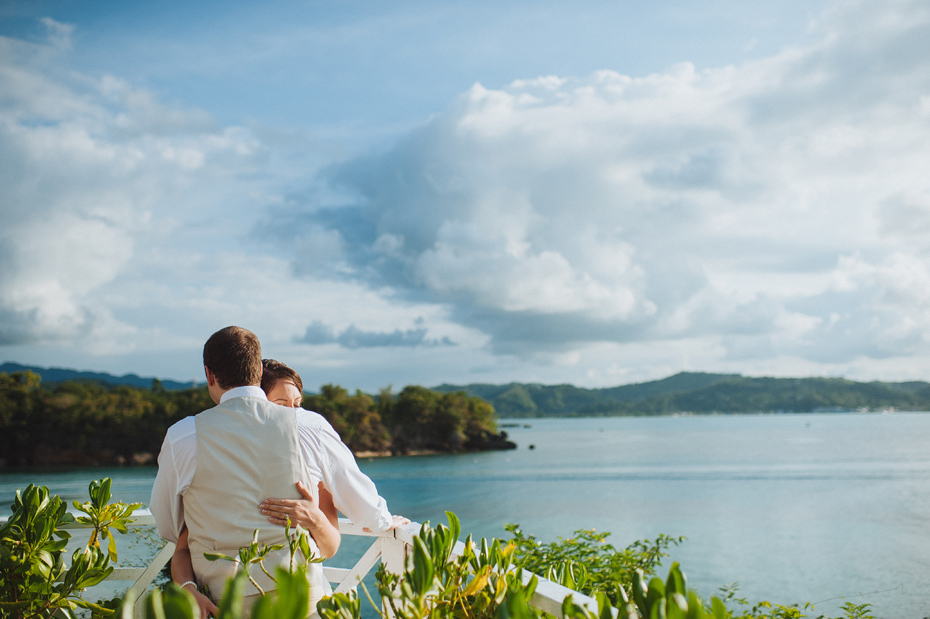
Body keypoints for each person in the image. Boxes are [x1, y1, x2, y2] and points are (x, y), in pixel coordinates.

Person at [152, 332, 405, 618]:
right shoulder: (309, 426)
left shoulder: (183, 436)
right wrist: (383, 521)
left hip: (223, 606)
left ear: (209, 375)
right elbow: (360, 500)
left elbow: (167, 526)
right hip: (301, 603)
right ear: (258, 370)